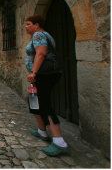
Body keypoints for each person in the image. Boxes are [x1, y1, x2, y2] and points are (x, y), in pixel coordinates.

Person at [25, 14, 70, 156]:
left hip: (43, 75)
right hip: (41, 75)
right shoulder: (40, 35)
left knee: (44, 104)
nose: (26, 27)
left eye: (28, 24)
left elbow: (41, 54)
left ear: (36, 25)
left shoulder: (38, 35)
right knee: (34, 100)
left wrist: (33, 72)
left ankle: (59, 141)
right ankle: (42, 131)